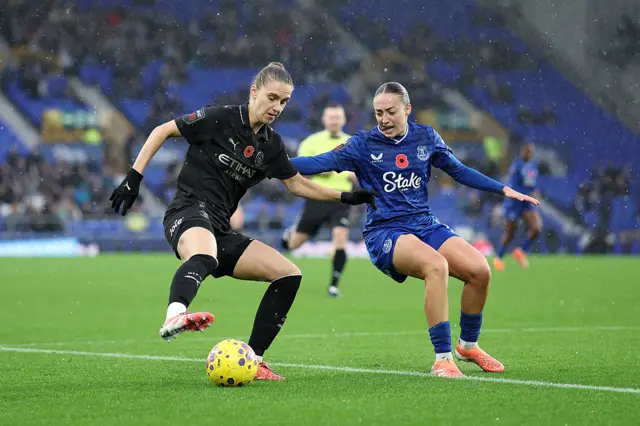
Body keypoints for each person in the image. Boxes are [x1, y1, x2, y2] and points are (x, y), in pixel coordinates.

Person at [109, 62, 377, 381]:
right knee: (204, 255)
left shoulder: (271, 146)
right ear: (254, 92)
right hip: (187, 211)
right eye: (272, 97)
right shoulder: (218, 118)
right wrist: (134, 177)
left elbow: (296, 183)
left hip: (221, 227)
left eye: (284, 102)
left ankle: (257, 360)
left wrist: (345, 198)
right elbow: (162, 130)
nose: (276, 107)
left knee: (288, 274)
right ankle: (174, 315)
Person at [290, 82, 539, 378]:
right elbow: (317, 163)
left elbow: (458, 170)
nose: (383, 119)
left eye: (390, 112)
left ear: (407, 110)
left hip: (424, 224)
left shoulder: (426, 137)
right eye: (378, 113)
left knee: (480, 270)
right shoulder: (362, 144)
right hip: (385, 232)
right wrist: (270, 162)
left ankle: (468, 345)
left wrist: (503, 189)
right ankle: (443, 358)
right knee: (437, 266)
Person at [281, 103, 356, 297]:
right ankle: (289, 235)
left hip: (341, 199)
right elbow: (297, 171)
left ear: (344, 120)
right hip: (316, 196)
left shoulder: (352, 143)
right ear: (324, 120)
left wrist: (353, 175)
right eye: (331, 117)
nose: (334, 121)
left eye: (337, 117)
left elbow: (359, 170)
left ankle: (334, 285)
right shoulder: (311, 142)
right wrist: (324, 171)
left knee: (340, 240)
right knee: (294, 244)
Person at [493, 143, 541, 270]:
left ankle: (521, 251)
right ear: (522, 152)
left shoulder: (533, 166)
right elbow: (512, 185)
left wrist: (535, 192)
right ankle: (498, 258)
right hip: (514, 202)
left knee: (536, 228)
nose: (527, 154)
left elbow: (532, 183)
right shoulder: (516, 166)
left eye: (529, 152)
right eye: (526, 151)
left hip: (526, 201)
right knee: (510, 233)